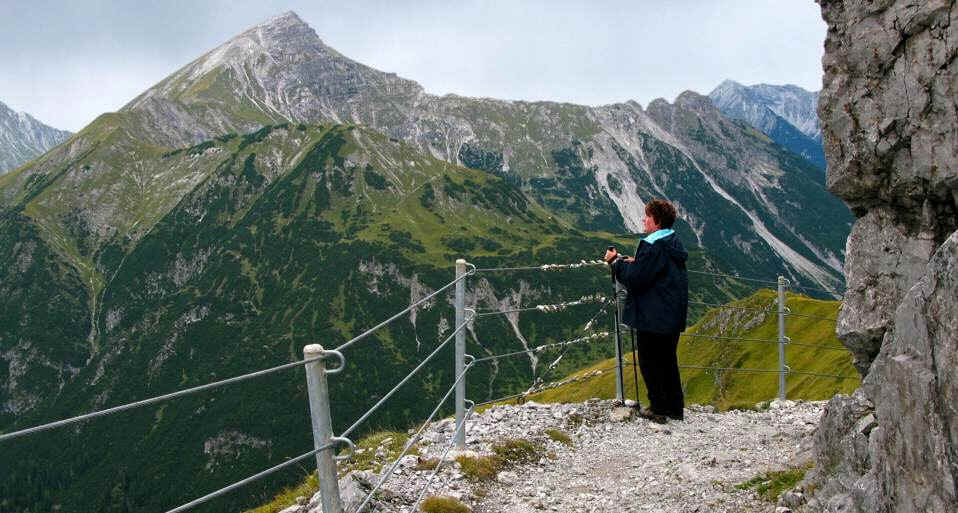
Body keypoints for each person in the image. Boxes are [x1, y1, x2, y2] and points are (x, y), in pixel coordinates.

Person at [604, 199, 688, 423]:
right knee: (668, 361)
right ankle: (675, 408)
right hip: (672, 313)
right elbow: (654, 270)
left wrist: (616, 263)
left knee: (650, 361)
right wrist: (637, 261)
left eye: (647, 217)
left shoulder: (652, 245)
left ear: (657, 222)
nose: (644, 219)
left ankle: (658, 408)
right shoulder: (672, 240)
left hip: (654, 316)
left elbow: (637, 279)